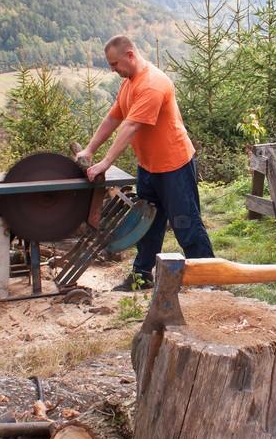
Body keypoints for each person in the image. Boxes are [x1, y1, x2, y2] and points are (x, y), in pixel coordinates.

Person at [76, 35, 214, 290]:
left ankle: (208, 278)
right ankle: (142, 276)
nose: (112, 69)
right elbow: (113, 117)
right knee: (147, 222)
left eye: (114, 63)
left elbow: (131, 126)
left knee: (186, 223)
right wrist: (89, 150)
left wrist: (106, 162)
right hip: (148, 166)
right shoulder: (129, 82)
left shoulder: (152, 84)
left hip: (174, 166)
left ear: (130, 55)